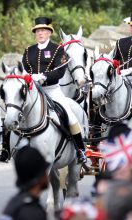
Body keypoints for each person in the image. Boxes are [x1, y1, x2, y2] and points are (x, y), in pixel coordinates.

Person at [22, 16, 86, 163]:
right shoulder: (28, 51)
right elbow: (23, 70)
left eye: (44, 30)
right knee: (14, 114)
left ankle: (80, 149)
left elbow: (60, 71)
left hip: (52, 90)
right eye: (38, 31)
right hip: (33, 91)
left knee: (70, 116)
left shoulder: (58, 49)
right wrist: (28, 76)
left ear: (50, 32)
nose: (40, 33)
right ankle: (7, 148)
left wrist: (43, 77)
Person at [0, 146, 49, 220]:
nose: (48, 176)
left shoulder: (13, 202)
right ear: (40, 177)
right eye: (45, 171)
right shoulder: (33, 213)